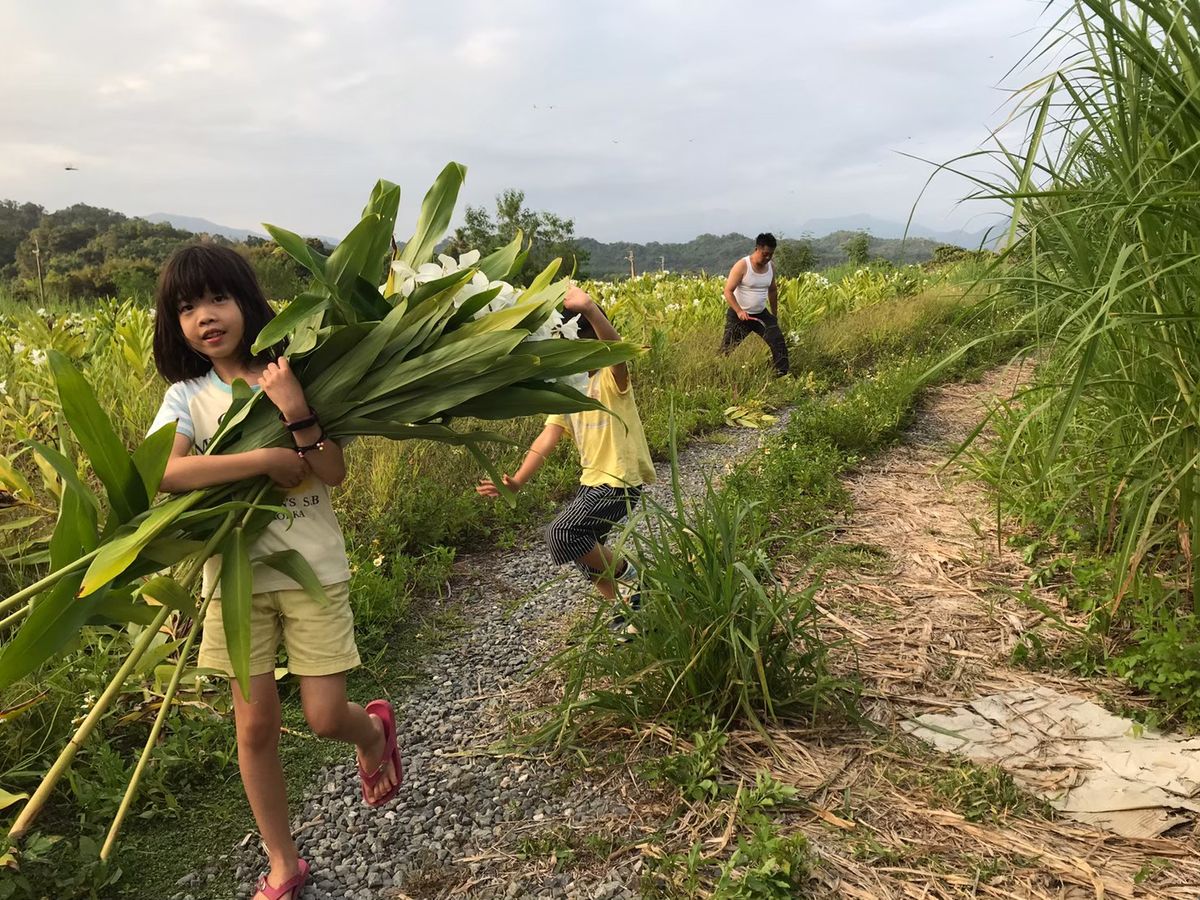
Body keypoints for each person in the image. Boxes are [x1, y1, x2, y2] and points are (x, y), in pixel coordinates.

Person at [148, 244, 401, 900]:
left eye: (218, 299)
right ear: (174, 325)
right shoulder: (187, 396)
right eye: (186, 307)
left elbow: (332, 471)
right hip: (233, 581)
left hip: (312, 568)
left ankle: (371, 730)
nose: (205, 316)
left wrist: (294, 411)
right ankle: (284, 862)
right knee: (254, 727)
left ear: (247, 303)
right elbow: (167, 473)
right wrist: (261, 460)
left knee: (322, 718)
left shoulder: (290, 370)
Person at [476, 283, 655, 616]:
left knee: (561, 533)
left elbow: (616, 350)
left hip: (620, 479)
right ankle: (627, 612)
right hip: (594, 482)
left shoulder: (610, 379)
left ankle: (632, 580)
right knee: (583, 550)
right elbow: (547, 437)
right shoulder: (570, 388)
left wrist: (589, 308)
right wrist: (516, 480)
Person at [720, 233, 790, 376]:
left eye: (771, 254)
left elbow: (772, 290)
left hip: (761, 314)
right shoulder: (742, 265)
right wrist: (739, 311)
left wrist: (774, 315)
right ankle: (717, 374)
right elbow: (728, 291)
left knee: (778, 342)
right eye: (765, 254)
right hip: (740, 316)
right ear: (757, 249)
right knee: (727, 349)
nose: (768, 258)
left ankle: (780, 374)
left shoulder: (771, 266)